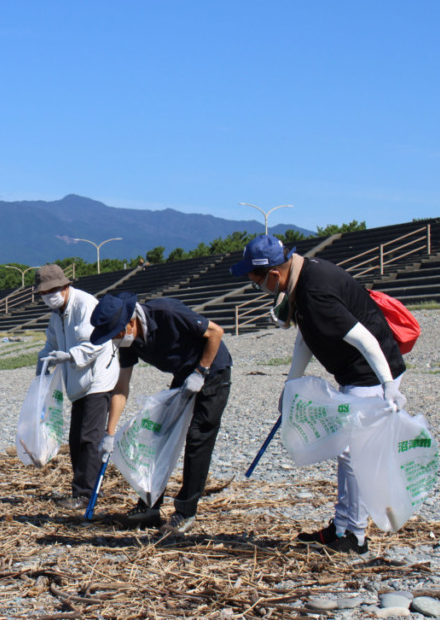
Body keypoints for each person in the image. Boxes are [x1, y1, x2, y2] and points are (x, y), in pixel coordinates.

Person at [231, 234, 406, 554]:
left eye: (255, 280)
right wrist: (290, 389)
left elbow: (365, 339)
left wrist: (389, 384)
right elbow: (306, 340)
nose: (257, 286)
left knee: (352, 455)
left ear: (273, 274)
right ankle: (341, 526)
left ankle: (354, 537)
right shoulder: (300, 281)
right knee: (346, 453)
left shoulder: (315, 290)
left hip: (370, 376)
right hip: (354, 375)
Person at [90, 292, 232, 536]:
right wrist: (110, 433)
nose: (115, 339)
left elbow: (215, 333)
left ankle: (186, 511)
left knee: (198, 438)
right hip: (184, 374)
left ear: (130, 322)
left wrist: (201, 371)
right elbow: (121, 388)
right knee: (158, 435)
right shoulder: (128, 341)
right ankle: (149, 506)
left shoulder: (167, 313)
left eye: (116, 333)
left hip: (212, 369)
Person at [34, 264, 118, 510]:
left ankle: (85, 494)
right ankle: (79, 488)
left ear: (65, 286)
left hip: (97, 379)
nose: (49, 295)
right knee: (75, 438)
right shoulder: (56, 313)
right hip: (76, 382)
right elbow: (51, 342)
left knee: (89, 437)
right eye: (44, 292)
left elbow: (98, 342)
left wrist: (70, 356)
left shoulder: (85, 305)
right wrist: (43, 361)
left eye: (54, 289)